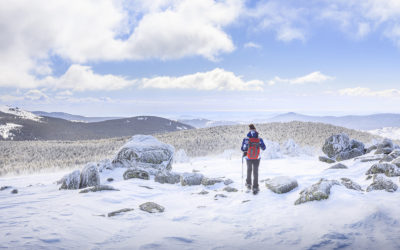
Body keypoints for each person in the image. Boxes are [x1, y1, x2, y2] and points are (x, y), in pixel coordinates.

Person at [241, 124, 266, 194]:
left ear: (249, 130)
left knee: (249, 170)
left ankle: (248, 184)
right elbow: (264, 148)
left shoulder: (246, 139)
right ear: (255, 130)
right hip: (257, 158)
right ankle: (255, 187)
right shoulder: (259, 139)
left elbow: (242, 149)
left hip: (248, 157)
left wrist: (245, 150)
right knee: (255, 172)